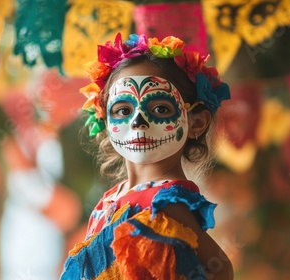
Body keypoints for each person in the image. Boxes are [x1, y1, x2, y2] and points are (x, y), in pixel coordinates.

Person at [60, 33, 233, 280]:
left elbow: (221, 269)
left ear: (196, 122)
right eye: (123, 110)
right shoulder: (107, 203)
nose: (138, 122)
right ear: (105, 120)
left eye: (161, 108)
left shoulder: (167, 202)